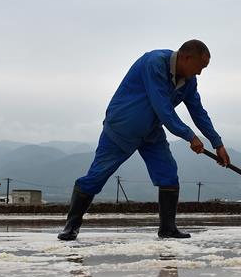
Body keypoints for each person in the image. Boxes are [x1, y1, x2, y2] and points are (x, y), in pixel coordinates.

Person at [58, 40, 230, 241]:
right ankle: (71, 226)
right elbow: (162, 107)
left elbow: (198, 112)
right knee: (97, 176)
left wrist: (217, 143)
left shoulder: (189, 81)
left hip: (151, 132)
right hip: (122, 128)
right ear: (186, 57)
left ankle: (168, 228)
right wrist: (190, 136)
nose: (200, 73)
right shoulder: (155, 63)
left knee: (168, 173)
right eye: (200, 67)